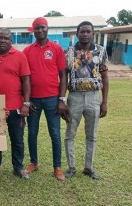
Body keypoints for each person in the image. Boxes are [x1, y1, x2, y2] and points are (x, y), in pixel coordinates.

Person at [0, 28, 31, 179]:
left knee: (17, 139)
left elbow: (26, 81)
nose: (3, 40)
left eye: (6, 38)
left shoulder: (20, 56)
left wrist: (26, 103)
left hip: (16, 106)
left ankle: (18, 167)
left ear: (11, 41)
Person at [22, 17, 66, 181]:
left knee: (54, 133)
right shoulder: (27, 51)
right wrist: (26, 99)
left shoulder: (56, 49)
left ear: (47, 28)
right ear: (33, 31)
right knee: (32, 133)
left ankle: (57, 167)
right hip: (33, 100)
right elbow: (23, 77)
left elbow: (63, 75)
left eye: (42, 27)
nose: (39, 31)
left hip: (52, 99)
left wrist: (62, 99)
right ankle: (34, 162)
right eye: (36, 28)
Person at [63, 21, 109, 180]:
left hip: (94, 97)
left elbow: (104, 76)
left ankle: (88, 167)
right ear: (77, 33)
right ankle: (71, 167)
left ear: (92, 33)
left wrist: (104, 101)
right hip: (74, 97)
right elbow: (64, 77)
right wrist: (62, 100)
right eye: (82, 32)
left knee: (92, 135)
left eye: (88, 31)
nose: (85, 34)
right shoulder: (68, 52)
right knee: (70, 134)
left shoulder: (101, 51)